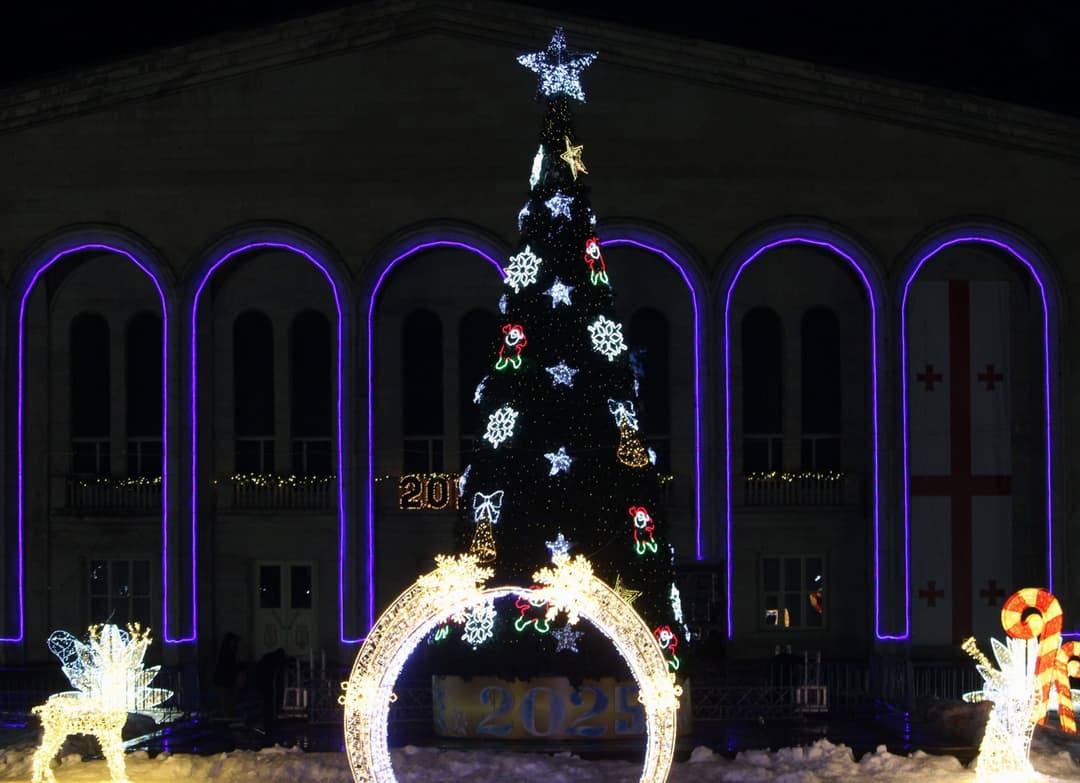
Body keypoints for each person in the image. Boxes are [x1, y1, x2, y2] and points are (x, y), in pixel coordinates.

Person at [213, 632, 241, 719]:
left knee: (228, 701)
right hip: (226, 680)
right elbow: (227, 667)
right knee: (227, 701)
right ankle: (228, 717)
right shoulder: (227, 653)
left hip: (227, 680)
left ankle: (228, 717)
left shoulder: (227, 652)